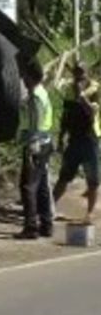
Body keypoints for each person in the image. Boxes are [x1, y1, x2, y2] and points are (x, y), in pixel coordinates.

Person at [53, 62, 100, 222]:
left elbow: (92, 112)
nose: (78, 76)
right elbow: (65, 117)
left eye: (81, 72)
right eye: (76, 73)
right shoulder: (69, 90)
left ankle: (90, 212)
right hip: (74, 139)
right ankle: (50, 207)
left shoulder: (94, 89)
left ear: (87, 73)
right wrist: (61, 138)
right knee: (64, 176)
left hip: (90, 138)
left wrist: (81, 96)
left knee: (92, 179)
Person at [15, 60, 54, 239]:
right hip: (45, 143)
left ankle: (31, 227)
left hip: (36, 145)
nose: (22, 78)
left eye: (25, 75)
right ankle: (46, 224)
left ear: (30, 76)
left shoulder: (35, 97)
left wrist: (31, 147)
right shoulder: (41, 93)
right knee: (42, 186)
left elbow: (35, 123)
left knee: (28, 186)